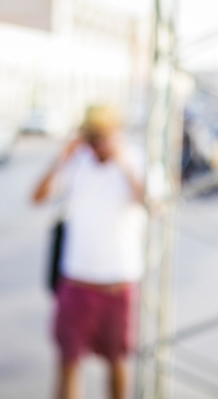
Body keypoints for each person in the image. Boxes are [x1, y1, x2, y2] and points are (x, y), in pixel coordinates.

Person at [32, 105, 146, 399]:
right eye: (91, 136)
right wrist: (61, 158)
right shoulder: (76, 163)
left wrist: (124, 164)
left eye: (102, 135)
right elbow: (37, 197)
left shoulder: (135, 159)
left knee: (117, 359)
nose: (97, 143)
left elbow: (151, 204)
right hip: (77, 281)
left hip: (118, 282)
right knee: (68, 361)